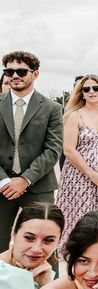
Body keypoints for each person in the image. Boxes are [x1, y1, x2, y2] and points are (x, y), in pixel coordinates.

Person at [0, 51, 63, 252]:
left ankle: (46, 284)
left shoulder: (52, 108)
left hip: (39, 186)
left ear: (35, 74)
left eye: (21, 71)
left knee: (44, 247)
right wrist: (4, 181)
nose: (14, 76)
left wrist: (25, 179)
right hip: (1, 188)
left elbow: (53, 149)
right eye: (9, 71)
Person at [56, 75, 98, 251]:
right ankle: (78, 255)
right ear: (81, 94)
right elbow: (69, 150)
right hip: (79, 176)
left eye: (95, 88)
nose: (91, 91)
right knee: (79, 218)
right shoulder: (74, 116)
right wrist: (91, 173)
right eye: (86, 89)